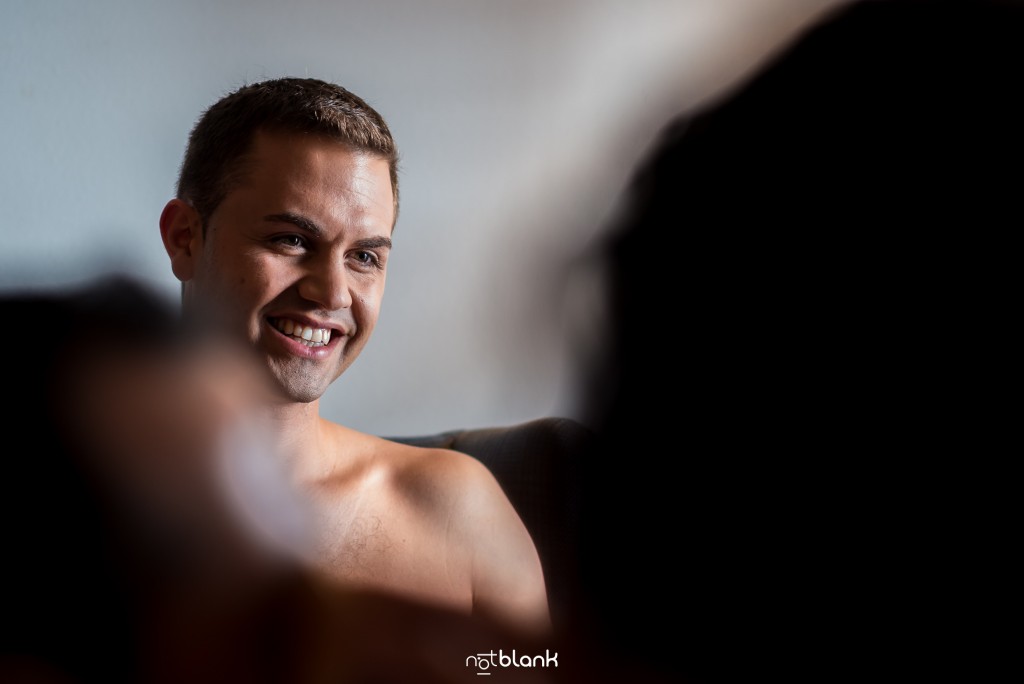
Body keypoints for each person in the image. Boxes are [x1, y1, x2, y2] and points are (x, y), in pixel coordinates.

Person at [157, 77, 551, 637]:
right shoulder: (58, 502)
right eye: (292, 241)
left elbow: (531, 671)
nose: (333, 293)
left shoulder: (456, 510)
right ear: (184, 239)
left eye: (364, 256)